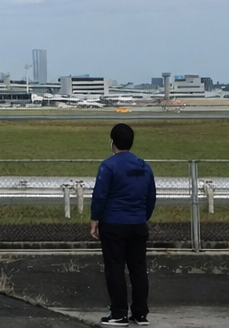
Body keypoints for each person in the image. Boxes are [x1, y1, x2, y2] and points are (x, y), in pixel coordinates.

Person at [89, 123, 157, 326]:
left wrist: (95, 220)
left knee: (115, 268)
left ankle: (118, 313)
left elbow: (99, 196)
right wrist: (142, 217)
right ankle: (140, 313)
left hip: (114, 223)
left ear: (112, 142)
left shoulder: (108, 166)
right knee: (138, 269)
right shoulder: (144, 166)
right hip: (138, 223)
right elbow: (151, 197)